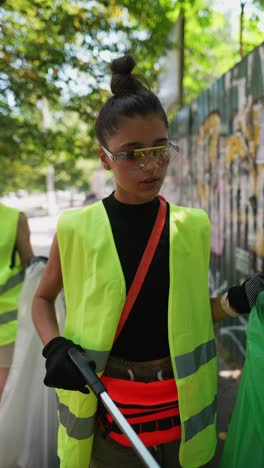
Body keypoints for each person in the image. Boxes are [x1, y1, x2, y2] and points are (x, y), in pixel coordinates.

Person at [32, 55, 263, 468]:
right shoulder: (76, 229)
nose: (151, 165)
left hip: (184, 422)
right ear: (105, 158)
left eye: (160, 148)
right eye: (132, 154)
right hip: (108, 422)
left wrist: (232, 302)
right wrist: (55, 346)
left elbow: (187, 317)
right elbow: (42, 299)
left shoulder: (191, 227)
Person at [0, 203, 33, 399]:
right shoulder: (13, 218)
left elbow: (31, 269)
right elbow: (31, 266)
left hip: (7, 330)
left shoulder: (14, 218)